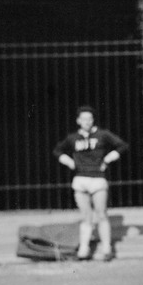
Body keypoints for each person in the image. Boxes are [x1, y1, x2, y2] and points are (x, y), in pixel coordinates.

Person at [53, 106, 129, 261]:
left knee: (101, 214)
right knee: (86, 216)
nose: (86, 122)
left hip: (98, 179)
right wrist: (69, 162)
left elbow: (122, 146)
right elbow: (58, 150)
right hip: (80, 180)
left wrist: (107, 159)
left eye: (89, 118)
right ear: (78, 121)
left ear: (93, 120)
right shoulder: (73, 138)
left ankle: (106, 248)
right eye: (83, 119)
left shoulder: (103, 135)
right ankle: (84, 248)